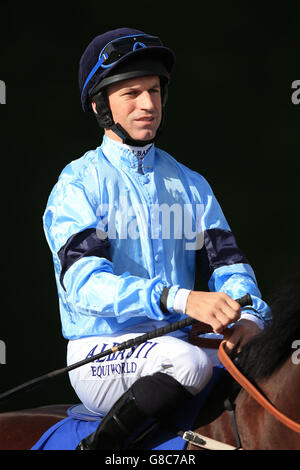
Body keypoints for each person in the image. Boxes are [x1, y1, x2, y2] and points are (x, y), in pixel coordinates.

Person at [43, 28, 272, 449]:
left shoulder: (191, 183)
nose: (148, 104)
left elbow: (230, 266)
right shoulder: (78, 184)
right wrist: (181, 299)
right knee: (186, 361)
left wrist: (249, 316)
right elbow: (85, 286)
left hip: (176, 345)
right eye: (131, 93)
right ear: (100, 106)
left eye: (153, 90)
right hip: (102, 352)